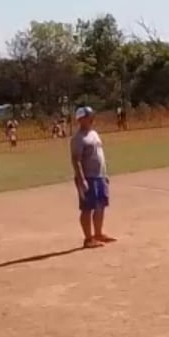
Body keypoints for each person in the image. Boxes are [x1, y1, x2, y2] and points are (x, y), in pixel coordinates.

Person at [70, 106, 115, 249]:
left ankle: (98, 234)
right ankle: (88, 239)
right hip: (88, 177)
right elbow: (76, 160)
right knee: (87, 208)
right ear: (81, 119)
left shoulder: (94, 134)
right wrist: (81, 179)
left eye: (91, 116)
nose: (92, 119)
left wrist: (104, 174)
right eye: (88, 116)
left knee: (101, 205)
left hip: (99, 176)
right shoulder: (78, 138)